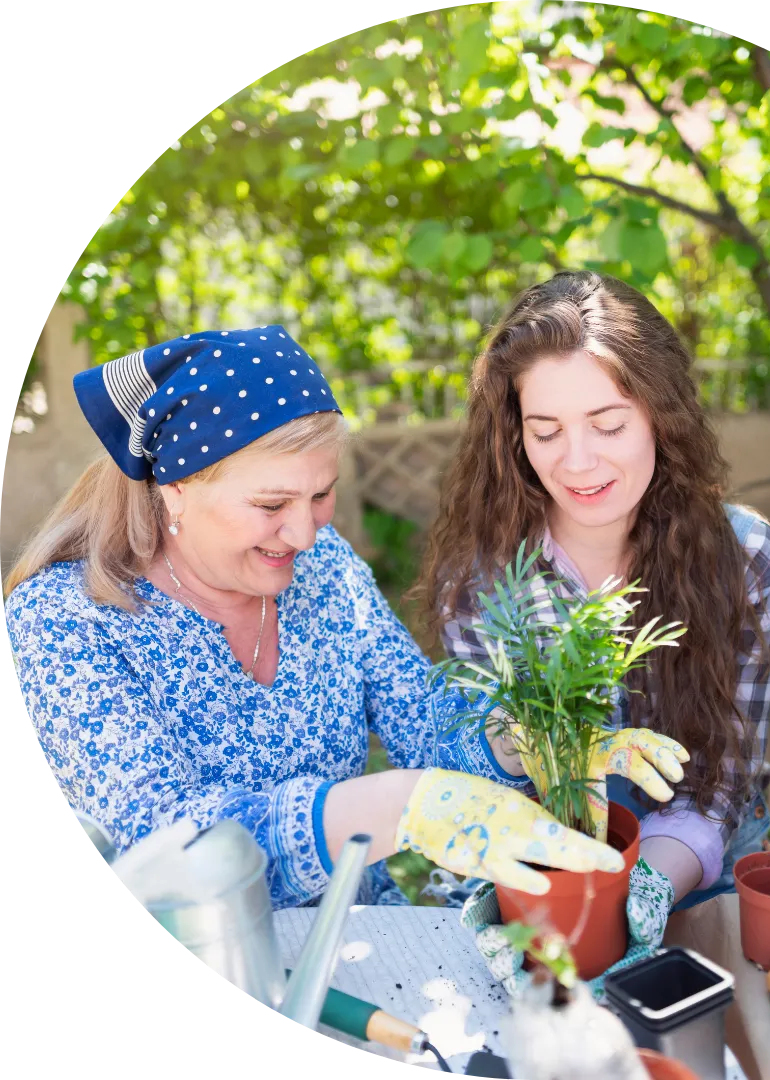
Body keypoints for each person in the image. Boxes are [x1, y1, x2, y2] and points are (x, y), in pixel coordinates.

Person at [4, 326, 634, 910]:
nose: (305, 534)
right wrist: (396, 804)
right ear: (174, 487)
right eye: (271, 503)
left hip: (363, 935)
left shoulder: (324, 568)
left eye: (321, 494)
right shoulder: (63, 621)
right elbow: (167, 849)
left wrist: (527, 739)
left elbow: (421, 718)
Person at [412, 270, 770, 990]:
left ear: (661, 416)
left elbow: (724, 780)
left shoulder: (746, 561)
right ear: (514, 437)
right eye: (545, 432)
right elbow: (485, 785)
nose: (578, 462)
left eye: (609, 425)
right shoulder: (484, 580)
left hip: (695, 882)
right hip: (541, 883)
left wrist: (637, 893)